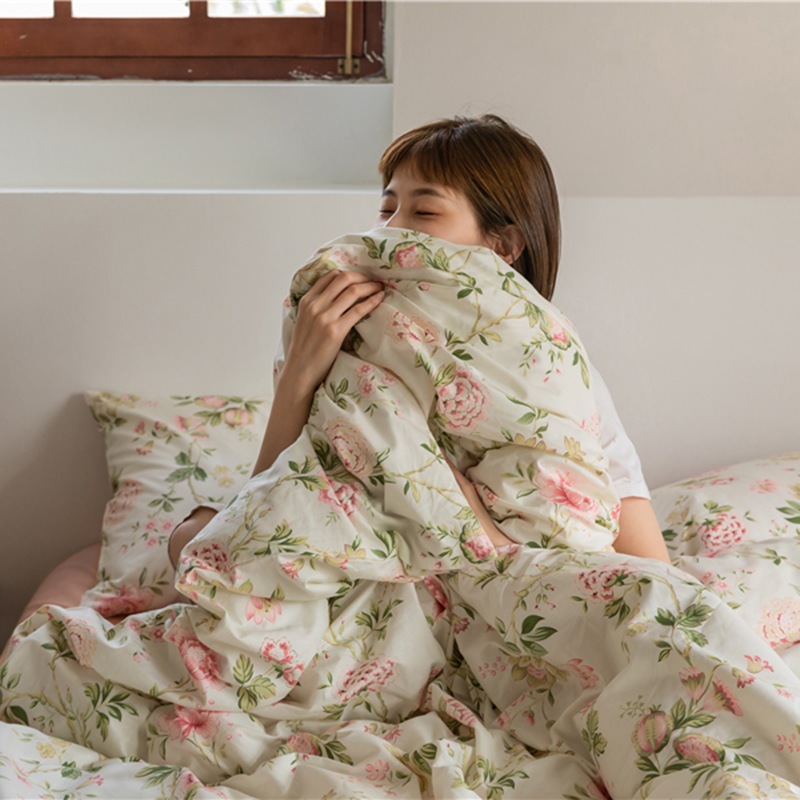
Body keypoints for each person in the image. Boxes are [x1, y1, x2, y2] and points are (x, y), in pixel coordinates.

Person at [169, 115, 669, 568]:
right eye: (386, 209)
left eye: (424, 212)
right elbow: (267, 498)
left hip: (473, 576)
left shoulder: (556, 373)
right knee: (193, 538)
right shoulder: (346, 333)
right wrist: (301, 371)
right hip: (352, 557)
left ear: (502, 245)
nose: (391, 231)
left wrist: (472, 520)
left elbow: (646, 569)